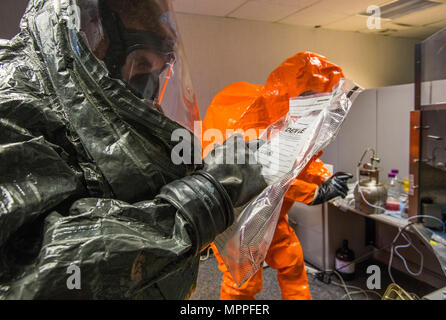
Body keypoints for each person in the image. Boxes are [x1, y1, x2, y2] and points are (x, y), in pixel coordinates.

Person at [0, 0, 267, 299]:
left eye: (158, 69)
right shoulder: (11, 99)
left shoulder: (78, 102)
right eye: (141, 64)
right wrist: (206, 199)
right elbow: (30, 271)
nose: (148, 91)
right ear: (88, 31)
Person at [202, 51, 353, 300]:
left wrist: (324, 178)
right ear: (290, 93)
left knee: (291, 262)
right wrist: (315, 192)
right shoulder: (250, 123)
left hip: (270, 214)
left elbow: (300, 160)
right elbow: (265, 176)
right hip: (239, 219)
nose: (316, 107)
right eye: (311, 97)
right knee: (243, 281)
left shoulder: (294, 120)